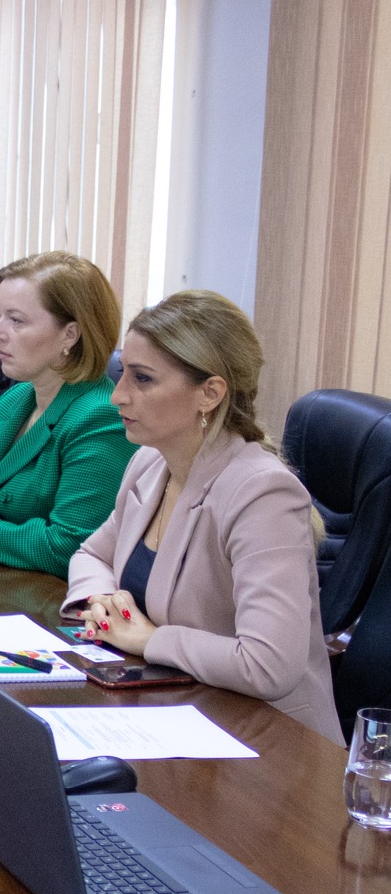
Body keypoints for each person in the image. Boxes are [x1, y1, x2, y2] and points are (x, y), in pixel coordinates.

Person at [65, 291, 341, 741]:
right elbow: (91, 555)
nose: (117, 395)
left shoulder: (262, 493)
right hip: (175, 710)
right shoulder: (150, 463)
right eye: (122, 373)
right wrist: (104, 604)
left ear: (209, 393)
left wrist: (148, 640)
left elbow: (269, 665)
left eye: (142, 379)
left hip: (266, 741)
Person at [0, 251, 136, 574]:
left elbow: (70, 547)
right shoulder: (16, 399)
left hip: (46, 599)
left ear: (70, 335)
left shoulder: (99, 419)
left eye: (16, 320)